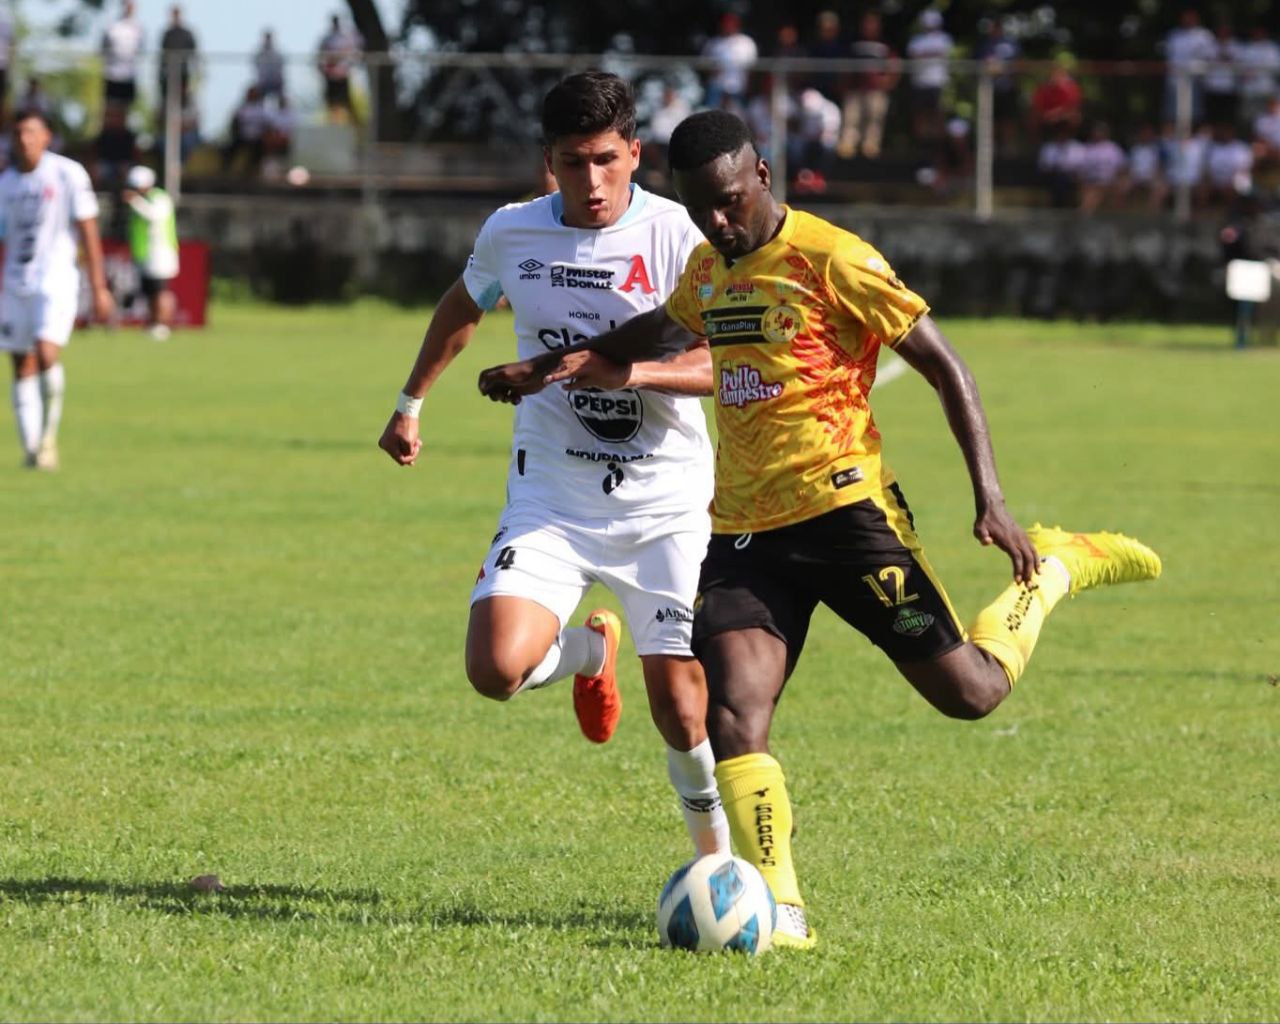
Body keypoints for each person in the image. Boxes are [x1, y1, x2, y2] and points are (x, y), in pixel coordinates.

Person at [477, 109, 1163, 949]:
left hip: (847, 518)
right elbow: (654, 330)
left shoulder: (834, 257)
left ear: (763, 174)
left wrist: (991, 499)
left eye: (728, 202)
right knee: (735, 714)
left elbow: (947, 367)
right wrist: (548, 367)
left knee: (972, 695)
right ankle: (782, 909)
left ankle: (1053, 571)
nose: (718, 223)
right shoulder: (707, 266)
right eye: (700, 210)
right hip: (743, 534)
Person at [376, 72, 730, 865]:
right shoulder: (514, 232)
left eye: (607, 159)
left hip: (666, 502)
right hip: (556, 495)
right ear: (549, 162)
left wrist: (624, 373)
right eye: (574, 162)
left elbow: (724, 361)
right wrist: (410, 403)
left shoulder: (679, 238)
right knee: (495, 669)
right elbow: (464, 308)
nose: (592, 180)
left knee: (679, 707)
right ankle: (591, 654)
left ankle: (717, 867)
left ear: (636, 154)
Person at [0, 109, 115, 470]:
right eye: (19, 133)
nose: (24, 139)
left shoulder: (66, 173)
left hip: (55, 278)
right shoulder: (6, 183)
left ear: (47, 136)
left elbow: (88, 228)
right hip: (15, 281)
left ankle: (49, 439)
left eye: (32, 132)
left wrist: (99, 286)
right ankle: (32, 448)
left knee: (47, 353)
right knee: (21, 362)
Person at [123, 165, 179, 341]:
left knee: (160, 290)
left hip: (160, 253)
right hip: (145, 254)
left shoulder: (159, 198)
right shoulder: (143, 199)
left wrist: (135, 201)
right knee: (149, 291)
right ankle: (153, 323)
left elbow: (153, 215)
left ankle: (163, 324)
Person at [840, 10, 900, 161]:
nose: (869, 27)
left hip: (876, 89)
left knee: (875, 118)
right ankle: (848, 145)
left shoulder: (884, 44)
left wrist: (889, 80)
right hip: (855, 88)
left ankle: (871, 146)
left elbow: (894, 64)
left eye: (873, 24)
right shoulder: (854, 43)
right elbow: (845, 65)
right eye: (867, 23)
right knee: (851, 117)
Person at [700, 12, 756, 114]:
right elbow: (703, 65)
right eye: (725, 24)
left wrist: (749, 86)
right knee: (709, 114)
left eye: (730, 24)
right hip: (716, 87)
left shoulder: (746, 42)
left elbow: (753, 68)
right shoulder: (712, 43)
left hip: (738, 88)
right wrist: (712, 70)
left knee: (742, 115)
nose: (727, 26)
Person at [317, 14, 363, 124]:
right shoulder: (326, 39)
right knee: (331, 103)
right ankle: (332, 125)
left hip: (342, 75)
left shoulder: (345, 38)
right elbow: (320, 56)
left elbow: (354, 54)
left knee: (347, 102)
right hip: (330, 75)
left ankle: (355, 126)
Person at [100, 0, 144, 109]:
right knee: (111, 107)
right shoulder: (113, 28)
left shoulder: (138, 29)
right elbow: (103, 49)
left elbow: (140, 49)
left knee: (127, 108)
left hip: (129, 75)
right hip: (112, 75)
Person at [158, 4, 198, 115]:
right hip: (168, 76)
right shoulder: (167, 34)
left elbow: (193, 54)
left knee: (183, 106)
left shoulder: (187, 34)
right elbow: (163, 56)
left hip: (183, 74)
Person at [254, 29, 286, 102]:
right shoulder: (260, 54)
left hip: (276, 81)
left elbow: (281, 66)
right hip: (263, 82)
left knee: (281, 99)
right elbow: (256, 65)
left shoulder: (277, 53)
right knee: (259, 99)